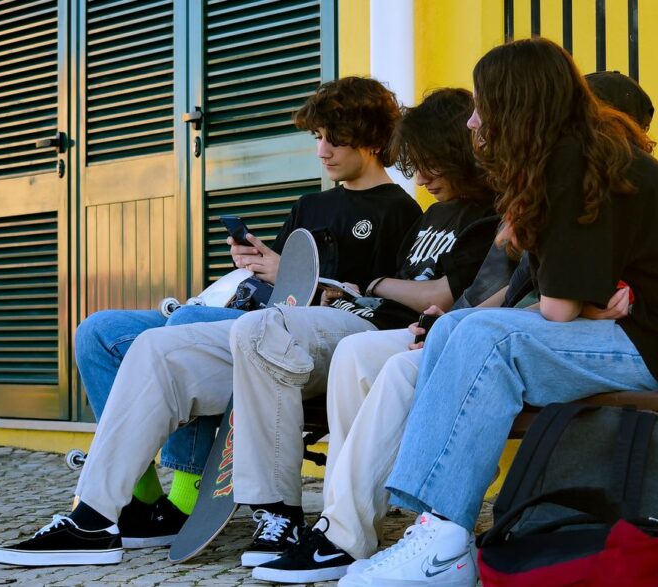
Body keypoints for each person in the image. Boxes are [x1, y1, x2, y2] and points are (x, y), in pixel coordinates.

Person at [0, 87, 497, 568]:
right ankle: (92, 520)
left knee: (260, 332)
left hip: (360, 329)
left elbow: (438, 296)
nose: (421, 172)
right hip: (311, 316)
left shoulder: (470, 214)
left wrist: (366, 283)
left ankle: (278, 516)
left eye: (429, 161)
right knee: (155, 348)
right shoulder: (432, 214)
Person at [343, 38, 658, 587]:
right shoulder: (576, 153)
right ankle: (434, 527)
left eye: (483, 105)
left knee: (487, 338)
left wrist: (589, 307)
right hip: (632, 332)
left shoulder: (580, 158)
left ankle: (444, 544)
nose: (473, 122)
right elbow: (570, 293)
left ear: (517, 104)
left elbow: (556, 306)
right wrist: (593, 306)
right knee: (454, 325)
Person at [250, 71, 652, 585]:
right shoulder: (554, 185)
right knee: (386, 362)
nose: (475, 124)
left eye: (483, 113)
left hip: (592, 343)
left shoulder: (592, 184)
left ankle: (437, 534)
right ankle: (349, 529)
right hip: (522, 330)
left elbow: (574, 302)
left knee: (453, 347)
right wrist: (460, 319)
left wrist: (460, 317)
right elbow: (527, 293)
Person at [68, 76, 421, 547]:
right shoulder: (309, 204)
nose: (322, 150)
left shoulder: (398, 210)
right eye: (317, 137)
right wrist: (256, 265)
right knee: (99, 330)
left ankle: (189, 491)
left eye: (335, 137)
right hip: (251, 312)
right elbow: (274, 284)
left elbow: (373, 310)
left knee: (187, 325)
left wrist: (299, 279)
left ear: (373, 138)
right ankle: (140, 499)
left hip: (296, 338)